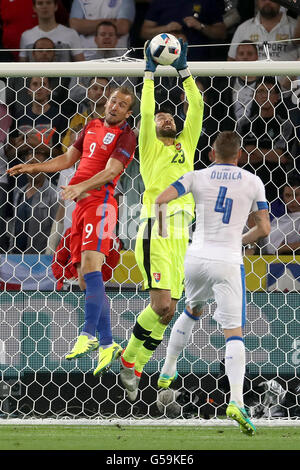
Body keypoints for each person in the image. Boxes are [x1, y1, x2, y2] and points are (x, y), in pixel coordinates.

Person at [7, 84, 137, 377]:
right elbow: (67, 160)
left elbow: (111, 171)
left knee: (91, 268)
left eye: (121, 104)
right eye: (113, 101)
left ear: (128, 112)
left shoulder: (127, 135)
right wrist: (32, 168)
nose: (114, 106)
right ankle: (107, 343)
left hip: (101, 203)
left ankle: (88, 335)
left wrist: (79, 185)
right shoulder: (90, 126)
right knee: (82, 279)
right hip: (79, 207)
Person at [155, 131, 271, 435]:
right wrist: (240, 241)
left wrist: (164, 233)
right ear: (239, 156)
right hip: (227, 262)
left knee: (193, 310)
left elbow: (161, 199)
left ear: (211, 153)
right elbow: (264, 227)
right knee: (234, 333)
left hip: (195, 257)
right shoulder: (253, 181)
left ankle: (167, 368)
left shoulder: (196, 176)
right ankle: (236, 401)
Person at [119, 39, 204, 402]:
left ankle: (133, 365)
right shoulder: (150, 146)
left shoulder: (186, 143)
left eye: (168, 115)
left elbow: (197, 106)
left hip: (183, 233)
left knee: (167, 311)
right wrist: (150, 74)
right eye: (159, 118)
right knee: (161, 306)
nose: (164, 117)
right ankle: (130, 361)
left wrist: (184, 71)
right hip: (159, 223)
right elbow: (147, 109)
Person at [238, 76, 297, 203]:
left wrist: (252, 149)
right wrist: (268, 154)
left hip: (276, 189)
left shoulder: (285, 125)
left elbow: (282, 157)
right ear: (254, 95)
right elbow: (239, 157)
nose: (265, 95)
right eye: (261, 91)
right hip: (247, 190)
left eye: (270, 92)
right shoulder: (244, 124)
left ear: (277, 97)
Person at [8, 149, 59, 254]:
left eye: (36, 165)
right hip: (15, 257)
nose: (32, 169)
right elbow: (14, 224)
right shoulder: (18, 192)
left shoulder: (53, 194)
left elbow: (57, 229)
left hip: (39, 259)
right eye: (30, 164)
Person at [140, 0, 226, 61]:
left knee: (197, 86)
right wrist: (166, 28)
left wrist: (200, 26)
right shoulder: (160, 2)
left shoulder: (208, 1)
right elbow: (144, 33)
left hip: (196, 62)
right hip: (162, 61)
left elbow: (221, 33)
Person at [227, 0, 300, 61]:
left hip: (290, 78)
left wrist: (290, 78)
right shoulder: (243, 28)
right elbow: (231, 60)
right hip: (249, 78)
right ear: (257, 1)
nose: (268, 2)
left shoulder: (295, 28)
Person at [19, 0, 85, 62]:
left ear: (56, 6)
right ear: (34, 8)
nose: (44, 6)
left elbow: (81, 67)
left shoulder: (71, 34)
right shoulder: (26, 36)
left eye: (48, 3)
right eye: (40, 3)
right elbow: (21, 69)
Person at [69, 0, 136, 60]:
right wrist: (112, 21)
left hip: (119, 58)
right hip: (86, 57)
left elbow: (122, 27)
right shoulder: (80, 1)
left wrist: (87, 25)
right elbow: (75, 25)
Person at [260, 173, 300, 255]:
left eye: (296, 195)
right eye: (288, 196)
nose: (292, 200)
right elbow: (273, 247)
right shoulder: (280, 220)